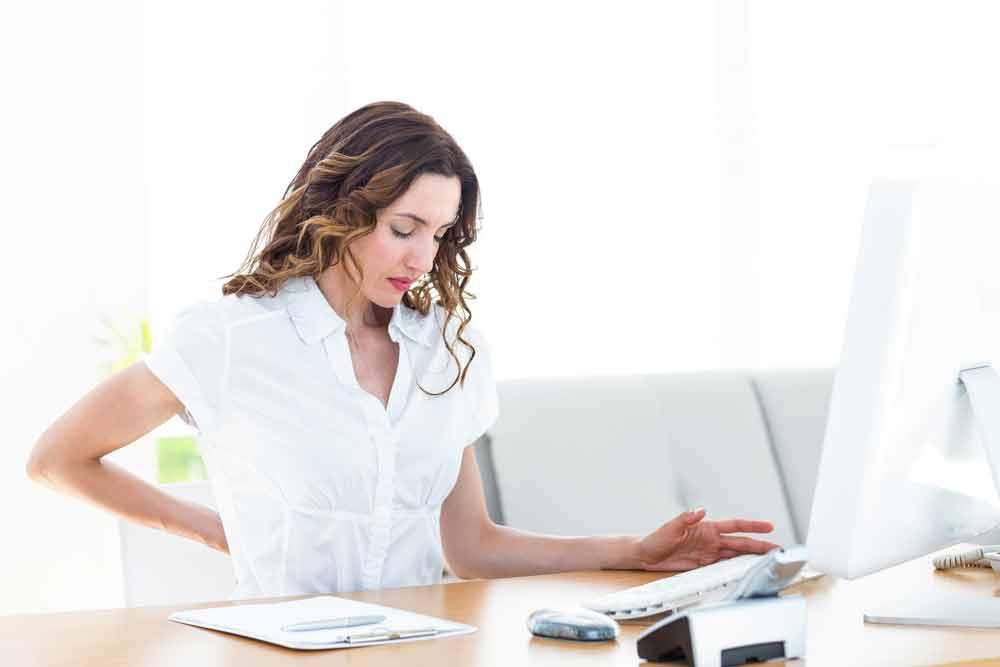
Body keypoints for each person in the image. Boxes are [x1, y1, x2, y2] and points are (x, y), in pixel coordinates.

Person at [26, 101, 778, 599]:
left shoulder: (448, 353)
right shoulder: (230, 338)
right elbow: (56, 458)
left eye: (441, 234)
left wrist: (633, 551)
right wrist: (214, 527)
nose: (423, 256)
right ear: (342, 209)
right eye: (403, 227)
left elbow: (473, 547)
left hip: (429, 649)